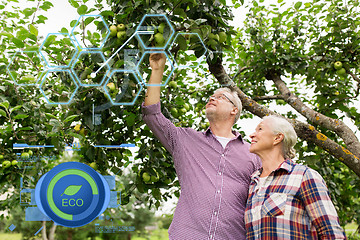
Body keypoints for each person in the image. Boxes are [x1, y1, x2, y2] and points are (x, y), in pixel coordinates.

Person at [142, 53, 261, 239]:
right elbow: (152, 114)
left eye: (220, 97)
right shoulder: (185, 139)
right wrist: (157, 71)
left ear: (234, 110)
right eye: (211, 96)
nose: (212, 98)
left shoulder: (253, 153)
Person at [245, 115, 346, 239]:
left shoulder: (303, 176)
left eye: (260, 129)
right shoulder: (253, 183)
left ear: (277, 138)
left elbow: (331, 233)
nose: (252, 135)